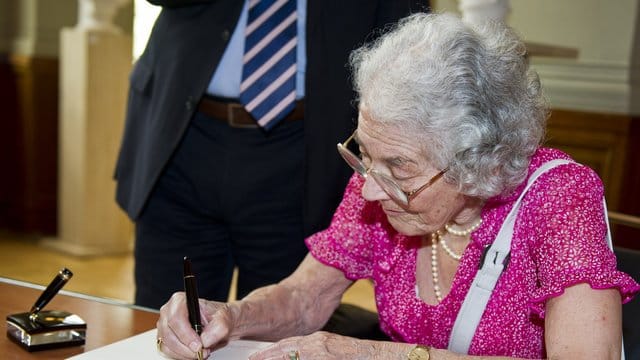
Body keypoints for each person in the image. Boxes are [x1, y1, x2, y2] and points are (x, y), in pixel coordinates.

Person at [155, 12, 640, 359]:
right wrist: (233, 317)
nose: (367, 188)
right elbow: (306, 296)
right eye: (365, 153)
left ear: (480, 163)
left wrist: (371, 355)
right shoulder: (380, 183)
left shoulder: (559, 197)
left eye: (399, 166)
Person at [113, 0, 425, 309]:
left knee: (275, 328)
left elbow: (403, 36)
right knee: (166, 320)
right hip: (183, 136)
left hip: (303, 153)